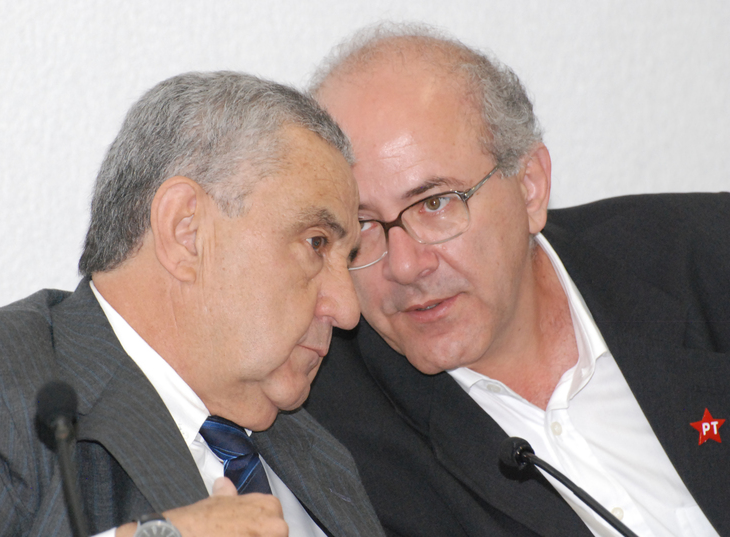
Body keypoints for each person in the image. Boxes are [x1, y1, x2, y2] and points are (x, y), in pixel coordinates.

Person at [303, 23, 730, 537]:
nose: (405, 266)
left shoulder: (710, 259)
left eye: (435, 204)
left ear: (529, 187)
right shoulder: (327, 433)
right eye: (362, 226)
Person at [0, 71, 386, 537]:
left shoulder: (323, 451)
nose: (347, 309)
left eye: (348, 258)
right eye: (315, 243)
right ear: (186, 231)